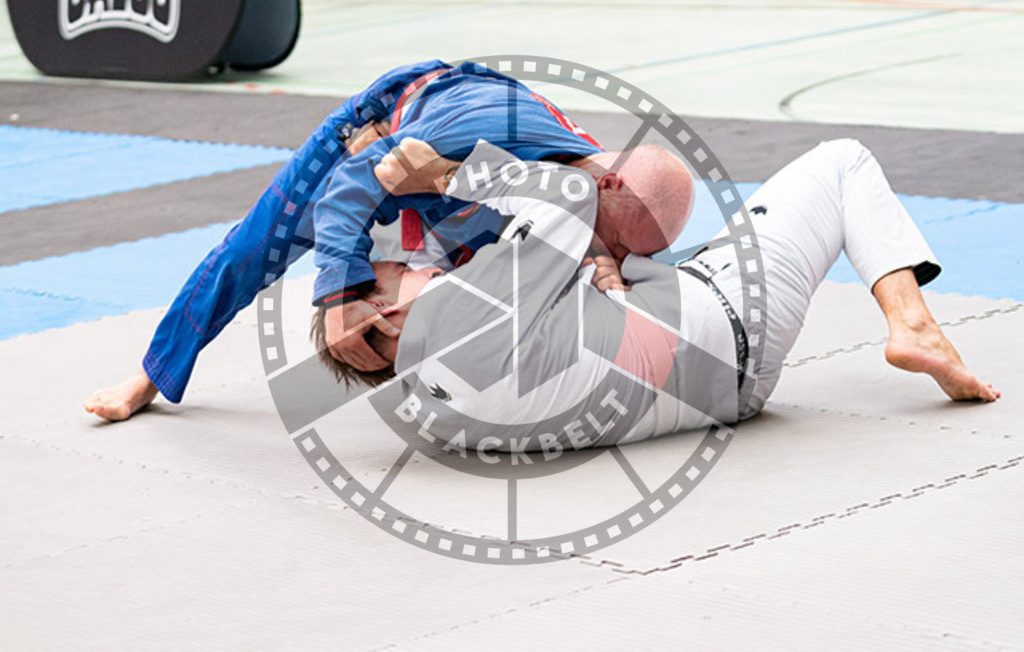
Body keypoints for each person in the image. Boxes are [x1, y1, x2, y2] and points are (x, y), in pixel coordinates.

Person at [84, 60, 694, 421]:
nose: (611, 249)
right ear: (606, 182)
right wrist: (336, 293)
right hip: (383, 137)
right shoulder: (486, 138)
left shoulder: (593, 182)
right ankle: (150, 374)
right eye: (613, 239)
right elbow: (350, 184)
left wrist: (608, 265)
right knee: (256, 247)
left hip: (456, 172)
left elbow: (587, 238)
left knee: (495, 268)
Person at [313, 138, 998, 453]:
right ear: (390, 310)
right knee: (841, 163)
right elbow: (574, 192)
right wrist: (443, 173)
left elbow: (554, 335)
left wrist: (597, 274)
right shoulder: (465, 308)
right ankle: (915, 325)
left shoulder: (433, 419)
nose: (411, 261)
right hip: (731, 314)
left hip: (731, 395)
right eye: (391, 272)